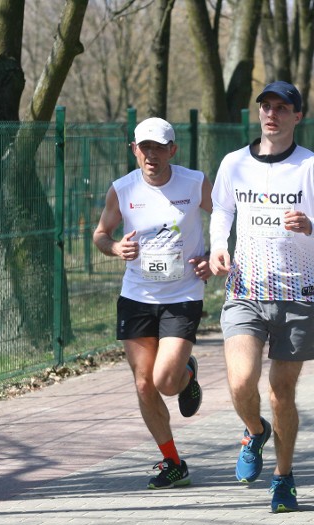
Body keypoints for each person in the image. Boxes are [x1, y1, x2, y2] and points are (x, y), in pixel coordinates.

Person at [209, 81, 314, 513]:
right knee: (240, 382)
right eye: (266, 106)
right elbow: (222, 210)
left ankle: (284, 476)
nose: (272, 114)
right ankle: (255, 431)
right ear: (258, 113)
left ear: (297, 116)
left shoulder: (311, 168)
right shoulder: (234, 163)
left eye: (281, 108)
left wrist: (313, 224)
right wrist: (220, 245)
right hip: (245, 292)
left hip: (297, 295)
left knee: (281, 393)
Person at [93, 117, 213, 489]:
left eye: (159, 147)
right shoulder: (122, 189)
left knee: (165, 381)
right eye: (144, 147)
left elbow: (226, 217)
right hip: (137, 296)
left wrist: (215, 255)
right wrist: (114, 247)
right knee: (144, 383)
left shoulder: (194, 183)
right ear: (134, 150)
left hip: (183, 294)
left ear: (172, 150)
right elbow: (100, 233)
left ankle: (186, 374)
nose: (151, 155)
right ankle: (172, 461)